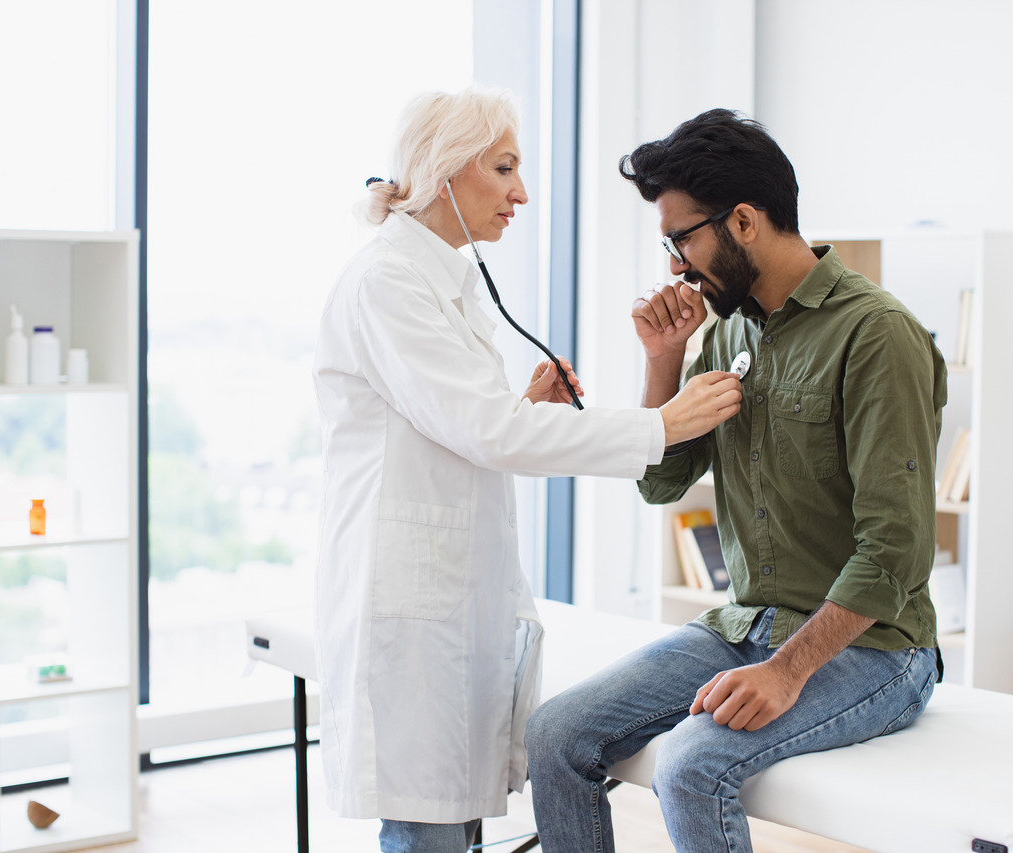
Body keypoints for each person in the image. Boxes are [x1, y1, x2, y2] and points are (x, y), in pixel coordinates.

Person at [311, 88, 742, 853]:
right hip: (407, 605)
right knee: (426, 829)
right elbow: (489, 431)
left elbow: (460, 422)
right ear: (444, 171)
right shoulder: (389, 283)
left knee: (449, 823)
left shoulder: (442, 281)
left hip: (450, 592)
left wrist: (521, 403)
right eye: (504, 167)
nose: (522, 192)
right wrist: (662, 423)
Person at [525, 108, 949, 852]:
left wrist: (785, 672)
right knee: (555, 733)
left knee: (690, 766)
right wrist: (663, 358)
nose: (675, 265)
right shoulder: (727, 332)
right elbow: (662, 486)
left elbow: (896, 550)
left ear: (745, 221)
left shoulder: (877, 334)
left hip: (878, 648)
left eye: (682, 238)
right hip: (744, 625)